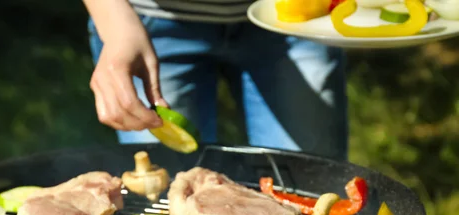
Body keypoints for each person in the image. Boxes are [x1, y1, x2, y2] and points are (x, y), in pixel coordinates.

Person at [82, 0, 349, 161]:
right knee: (169, 185)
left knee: (309, 176)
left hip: (293, 13)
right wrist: (117, 27)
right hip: (148, 23)